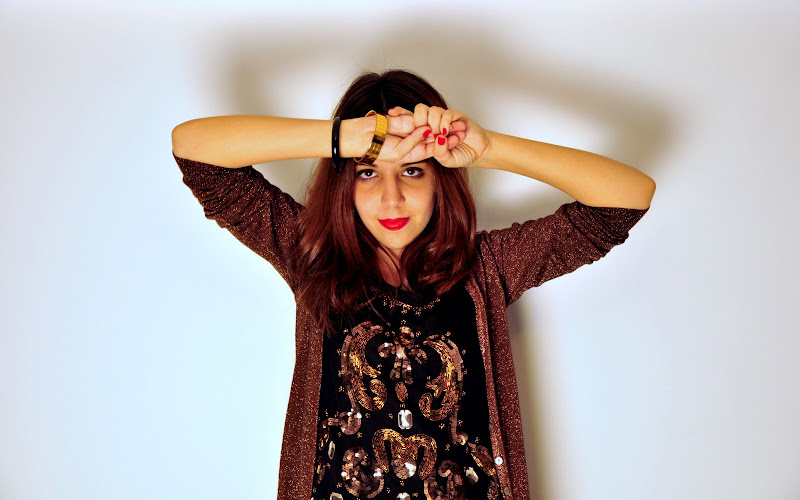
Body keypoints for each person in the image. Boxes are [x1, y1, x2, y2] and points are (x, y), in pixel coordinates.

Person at [171, 69, 655, 500]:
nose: (392, 198)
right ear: (345, 182)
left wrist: (485, 148)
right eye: (367, 173)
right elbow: (195, 151)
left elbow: (624, 201)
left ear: (439, 178)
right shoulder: (311, 257)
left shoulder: (487, 268)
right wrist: (343, 137)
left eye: (411, 171)